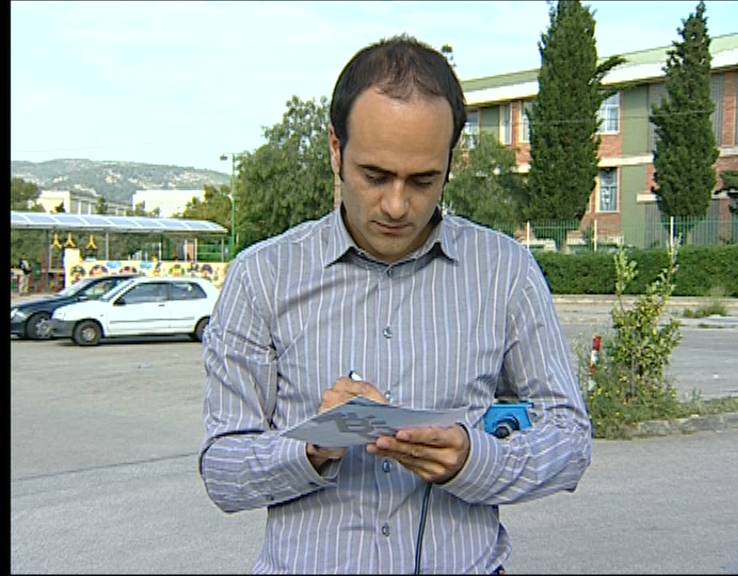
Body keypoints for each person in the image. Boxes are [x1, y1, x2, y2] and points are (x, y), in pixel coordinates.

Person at [199, 34, 591, 574]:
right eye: (375, 176)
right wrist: (313, 446)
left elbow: (570, 440)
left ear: (450, 163)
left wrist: (475, 460)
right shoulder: (262, 277)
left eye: (423, 180)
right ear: (336, 150)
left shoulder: (506, 272)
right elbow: (223, 471)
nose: (396, 204)